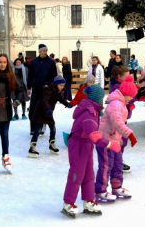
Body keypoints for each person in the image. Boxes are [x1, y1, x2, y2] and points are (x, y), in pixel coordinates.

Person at [61, 84, 117, 218]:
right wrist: (109, 144)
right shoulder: (89, 113)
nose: (102, 101)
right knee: (76, 174)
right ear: (97, 99)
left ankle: (88, 200)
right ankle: (68, 203)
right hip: (78, 145)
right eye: (102, 98)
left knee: (88, 175)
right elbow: (94, 135)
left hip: (86, 145)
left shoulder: (93, 110)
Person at [94, 75, 138, 202]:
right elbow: (117, 121)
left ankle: (116, 186)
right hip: (106, 140)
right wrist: (129, 134)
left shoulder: (122, 103)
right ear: (125, 94)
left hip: (115, 140)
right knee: (106, 165)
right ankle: (100, 191)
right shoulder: (116, 104)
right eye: (131, 96)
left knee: (118, 163)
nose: (131, 99)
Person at [28, 76, 72, 158]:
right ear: (56, 84)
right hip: (41, 112)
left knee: (53, 128)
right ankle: (32, 147)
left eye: (63, 85)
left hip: (48, 112)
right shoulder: (48, 90)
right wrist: (48, 109)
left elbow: (61, 99)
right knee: (37, 130)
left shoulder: (57, 92)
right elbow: (45, 100)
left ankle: (52, 145)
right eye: (61, 85)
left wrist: (67, 104)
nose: (62, 87)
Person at [27, 44, 57, 138]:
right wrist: (28, 87)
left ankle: (42, 125)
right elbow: (30, 75)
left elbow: (54, 75)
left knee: (44, 107)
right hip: (36, 88)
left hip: (46, 88)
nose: (45, 52)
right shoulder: (34, 61)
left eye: (46, 50)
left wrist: (48, 83)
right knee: (33, 108)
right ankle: (33, 128)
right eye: (43, 50)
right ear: (39, 51)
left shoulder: (51, 62)